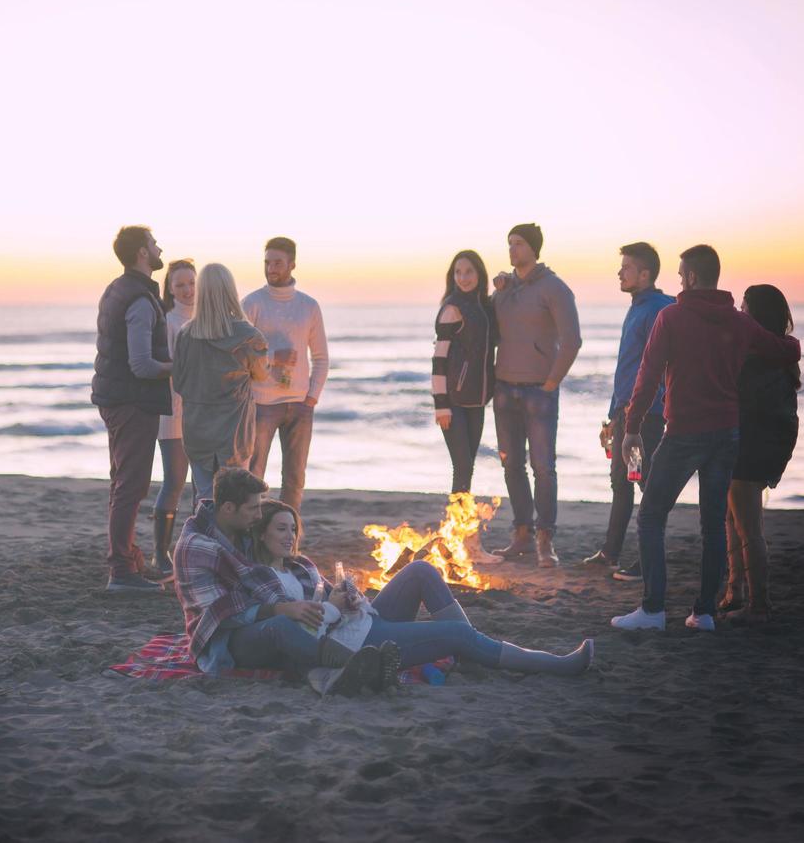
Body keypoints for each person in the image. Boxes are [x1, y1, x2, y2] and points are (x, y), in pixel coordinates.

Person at [612, 246, 801, 633]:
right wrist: (791, 346)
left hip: (683, 433)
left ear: (693, 277)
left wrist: (631, 429)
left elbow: (646, 380)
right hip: (726, 435)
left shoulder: (672, 317)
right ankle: (704, 613)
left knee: (650, 516)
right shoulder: (738, 322)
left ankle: (652, 610)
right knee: (713, 524)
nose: (679, 281)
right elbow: (786, 348)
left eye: (682, 275)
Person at [247, 498, 595, 680]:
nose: (290, 536)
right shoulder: (265, 579)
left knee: (420, 569)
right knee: (458, 634)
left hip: (362, 623)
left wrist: (352, 598)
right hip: (353, 645)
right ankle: (555, 665)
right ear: (261, 533)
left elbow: (333, 601)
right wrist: (336, 607)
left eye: (293, 529)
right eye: (280, 529)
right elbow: (303, 637)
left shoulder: (301, 565)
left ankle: (470, 649)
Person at [172, 467, 393, 696]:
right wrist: (280, 609)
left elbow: (267, 575)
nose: (259, 515)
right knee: (280, 626)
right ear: (228, 508)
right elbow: (220, 614)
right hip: (224, 639)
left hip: (259, 625)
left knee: (290, 625)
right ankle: (364, 667)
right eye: (253, 508)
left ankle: (339, 670)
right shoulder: (196, 548)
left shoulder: (241, 531)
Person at [490, 223, 582, 567]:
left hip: (539, 392)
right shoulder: (504, 289)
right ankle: (522, 536)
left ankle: (546, 540)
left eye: (518, 244)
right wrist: (496, 288)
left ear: (534, 249)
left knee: (543, 467)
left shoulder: (555, 288)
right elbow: (487, 330)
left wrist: (551, 382)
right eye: (509, 243)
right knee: (511, 464)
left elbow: (572, 340)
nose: (512, 249)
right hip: (504, 389)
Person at [583, 243, 674, 581]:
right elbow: (627, 368)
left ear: (645, 274)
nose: (620, 273)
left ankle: (646, 563)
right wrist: (613, 416)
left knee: (641, 482)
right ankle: (610, 553)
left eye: (627, 267)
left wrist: (645, 409)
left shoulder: (657, 309)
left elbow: (663, 364)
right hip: (626, 415)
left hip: (645, 417)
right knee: (622, 481)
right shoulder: (637, 306)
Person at [91, 226, 173, 593]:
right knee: (131, 485)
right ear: (143, 253)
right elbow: (142, 365)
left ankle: (128, 559)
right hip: (132, 401)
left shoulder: (117, 289)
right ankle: (121, 572)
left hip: (116, 397)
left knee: (123, 482)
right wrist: (180, 366)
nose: (160, 248)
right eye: (155, 243)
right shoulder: (139, 299)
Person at [719, 285, 800, 626]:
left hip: (751, 447)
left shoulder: (760, 357)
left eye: (744, 307)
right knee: (732, 519)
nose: (739, 312)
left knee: (749, 527)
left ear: (757, 314)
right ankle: (734, 590)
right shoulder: (777, 352)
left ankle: (759, 604)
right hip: (758, 444)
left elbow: (744, 401)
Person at [244, 236, 329, 516]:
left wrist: (312, 397)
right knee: (254, 476)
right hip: (262, 403)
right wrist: (272, 358)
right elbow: (240, 355)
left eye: (277, 263)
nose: (271, 268)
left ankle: (288, 539)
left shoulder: (308, 306)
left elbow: (320, 357)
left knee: (295, 479)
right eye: (267, 262)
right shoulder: (252, 303)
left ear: (292, 264)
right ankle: (254, 535)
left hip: (300, 405)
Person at [172, 264, 269, 506]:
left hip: (197, 429)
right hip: (234, 430)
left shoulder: (186, 334)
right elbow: (261, 374)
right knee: (237, 501)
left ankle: (203, 543)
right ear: (230, 291)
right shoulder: (248, 335)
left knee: (204, 500)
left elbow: (180, 383)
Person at [432, 250, 497, 496]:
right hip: (453, 401)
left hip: (477, 401)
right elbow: (438, 360)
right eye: (458, 272)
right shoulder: (452, 309)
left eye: (469, 271)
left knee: (467, 467)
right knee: (462, 465)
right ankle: (458, 525)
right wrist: (441, 405)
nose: (463, 277)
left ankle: (461, 523)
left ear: (479, 274)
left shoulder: (485, 308)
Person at [147, 258, 197, 576]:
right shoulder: (167, 321)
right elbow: (167, 366)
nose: (188, 290)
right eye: (180, 284)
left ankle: (195, 549)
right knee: (175, 481)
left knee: (204, 484)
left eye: (191, 283)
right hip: (175, 410)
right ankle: (160, 554)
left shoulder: (208, 317)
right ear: (170, 288)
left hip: (205, 411)